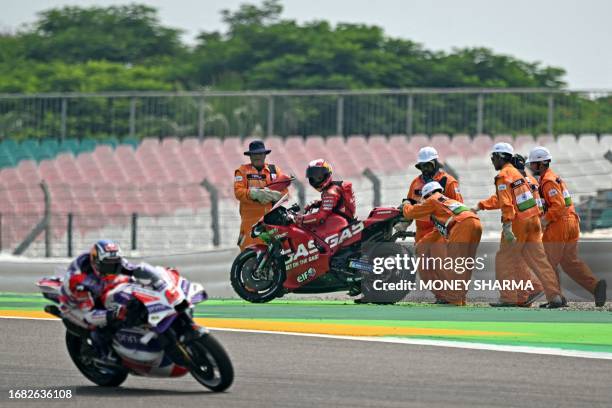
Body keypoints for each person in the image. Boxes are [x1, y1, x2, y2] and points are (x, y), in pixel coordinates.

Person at [474, 143, 564, 308]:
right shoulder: (519, 174)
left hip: (518, 222)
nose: (492, 161)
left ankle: (508, 298)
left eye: (493, 157)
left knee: (504, 259)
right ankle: (555, 297)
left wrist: (507, 225)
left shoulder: (504, 175)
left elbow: (507, 203)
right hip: (534, 220)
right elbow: (509, 198)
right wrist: (481, 205)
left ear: (501, 157)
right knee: (540, 261)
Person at [527, 146, 606, 307]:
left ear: (541, 164)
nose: (531, 166)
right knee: (570, 262)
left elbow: (558, 205)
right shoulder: (554, 178)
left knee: (548, 263)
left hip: (559, 225)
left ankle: (555, 298)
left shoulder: (548, 181)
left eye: (533, 163)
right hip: (572, 223)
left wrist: (543, 221)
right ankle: (595, 287)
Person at [61, 239, 164, 358]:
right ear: (96, 263)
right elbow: (89, 315)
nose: (113, 269)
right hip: (75, 303)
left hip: (102, 288)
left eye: (115, 264)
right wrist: (113, 314)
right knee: (95, 326)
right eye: (108, 266)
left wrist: (158, 280)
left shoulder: (116, 262)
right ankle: (102, 354)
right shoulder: (79, 280)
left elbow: (136, 270)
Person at [402, 181, 482, 305]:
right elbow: (437, 232)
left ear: (428, 195)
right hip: (475, 223)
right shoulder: (447, 203)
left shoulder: (433, 200)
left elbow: (411, 213)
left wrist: (406, 204)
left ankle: (454, 298)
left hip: (461, 225)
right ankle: (460, 298)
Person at [403, 146, 463, 304]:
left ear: (436, 163)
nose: (425, 169)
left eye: (428, 165)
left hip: (440, 231)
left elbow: (458, 206)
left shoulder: (448, 181)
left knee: (442, 266)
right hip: (421, 232)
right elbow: (410, 203)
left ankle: (454, 297)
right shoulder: (415, 183)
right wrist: (404, 222)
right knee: (424, 270)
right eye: (422, 166)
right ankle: (442, 296)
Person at [234, 140, 288, 250]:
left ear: (265, 155)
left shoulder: (274, 171)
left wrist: (273, 195)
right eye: (254, 154)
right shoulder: (242, 171)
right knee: (248, 258)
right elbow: (238, 192)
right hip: (250, 224)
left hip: (271, 223)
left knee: (273, 258)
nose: (257, 156)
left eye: (260, 153)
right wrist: (254, 194)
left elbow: (285, 193)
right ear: (250, 156)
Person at [295, 159, 356, 226]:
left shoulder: (330, 192)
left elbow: (320, 218)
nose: (316, 180)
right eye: (313, 178)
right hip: (342, 223)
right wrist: (315, 204)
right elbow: (335, 203)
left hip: (341, 226)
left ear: (327, 174)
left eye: (319, 177)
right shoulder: (334, 187)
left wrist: (300, 219)